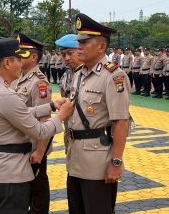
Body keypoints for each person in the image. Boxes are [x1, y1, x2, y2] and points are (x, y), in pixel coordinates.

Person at [0, 37, 74, 214]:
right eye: (17, 59)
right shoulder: (6, 95)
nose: (20, 63)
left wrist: (51, 106)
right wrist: (61, 115)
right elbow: (39, 131)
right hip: (10, 174)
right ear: (7, 62)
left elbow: (16, 114)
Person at [66, 13, 130, 214]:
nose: (79, 47)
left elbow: (120, 122)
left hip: (98, 163)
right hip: (75, 158)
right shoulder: (79, 74)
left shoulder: (113, 76)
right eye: (79, 42)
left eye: (85, 42)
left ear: (101, 47)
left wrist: (116, 162)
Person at [13, 33, 52, 214]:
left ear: (34, 57)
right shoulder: (19, 78)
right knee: (24, 188)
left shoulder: (39, 82)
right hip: (21, 144)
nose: (19, 56)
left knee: (37, 189)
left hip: (34, 147)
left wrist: (40, 151)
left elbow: (44, 118)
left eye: (23, 53)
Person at [55, 33, 83, 151]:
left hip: (91, 138)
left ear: (80, 50)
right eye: (63, 54)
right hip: (70, 132)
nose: (66, 58)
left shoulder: (93, 74)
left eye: (70, 53)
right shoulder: (66, 75)